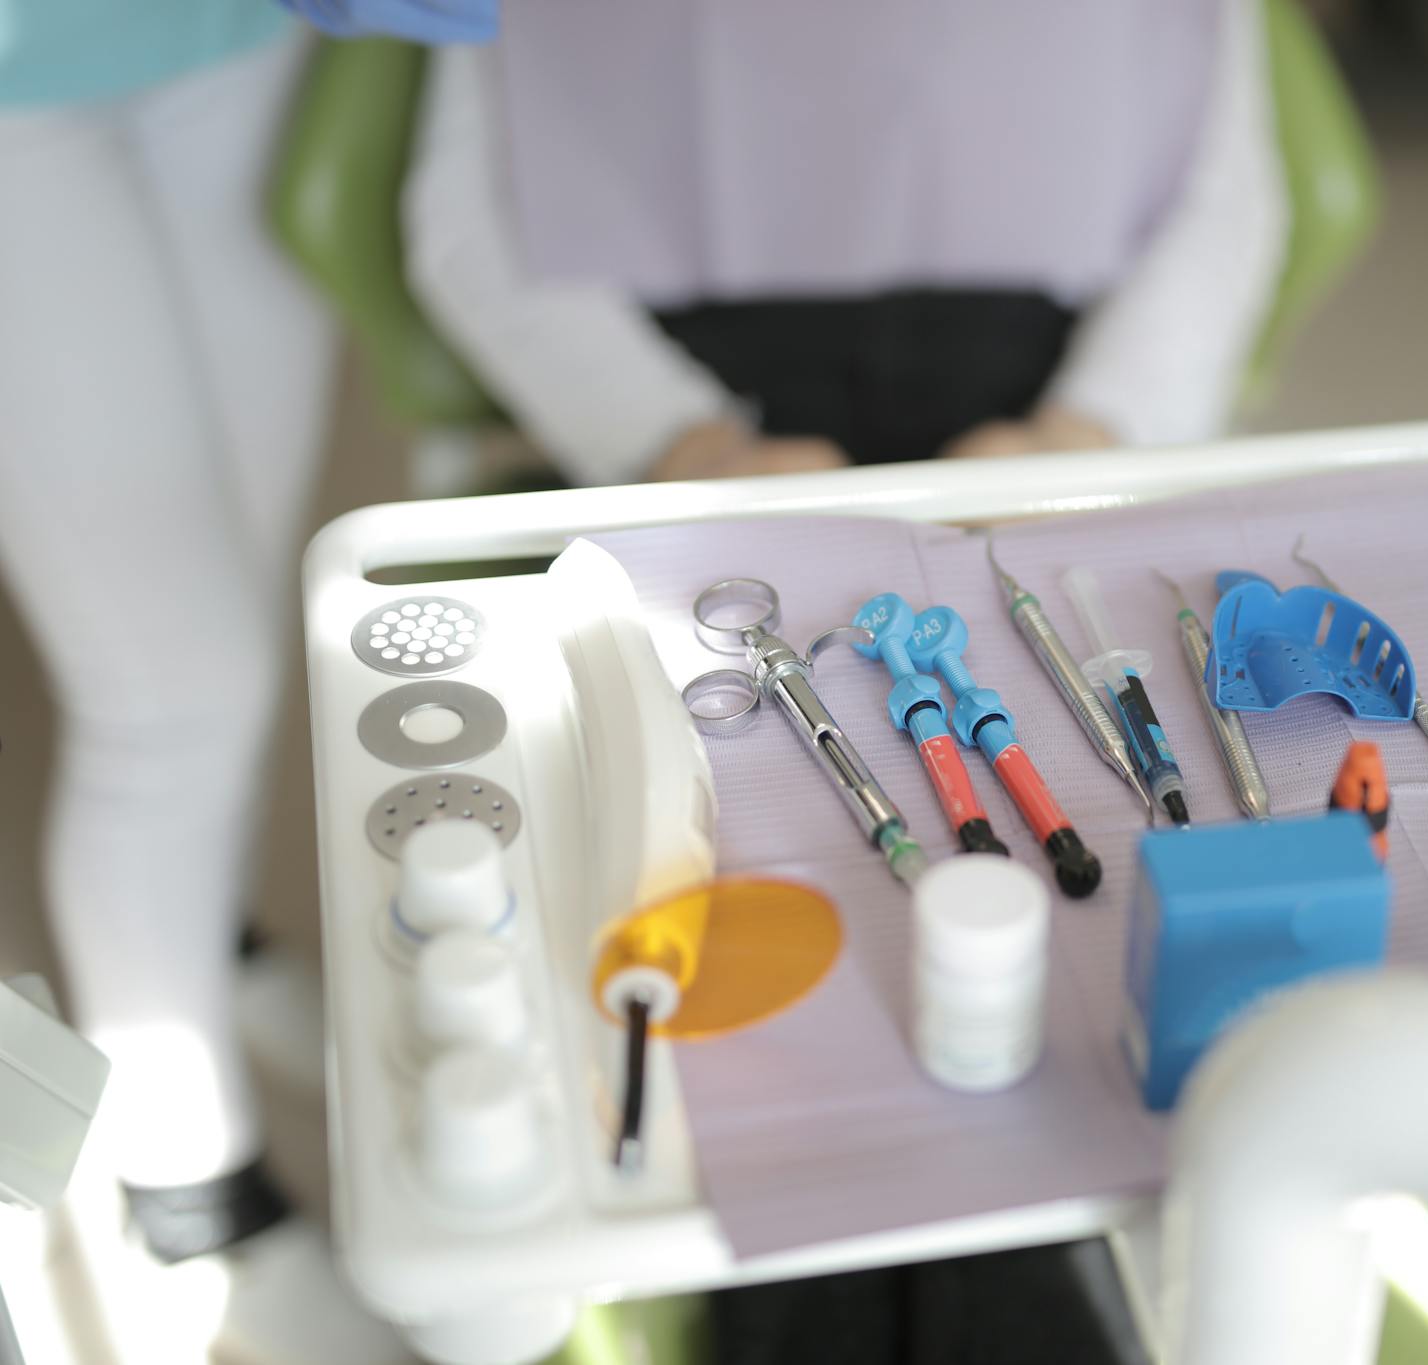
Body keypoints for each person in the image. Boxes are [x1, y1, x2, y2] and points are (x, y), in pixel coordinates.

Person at [0, 3, 404, 1358]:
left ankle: (202, 939)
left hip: (235, 34)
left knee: (240, 561)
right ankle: (192, 1199)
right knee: (171, 698)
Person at [392, 0, 1288, 485]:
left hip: (1040, 410)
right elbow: (477, 216)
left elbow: (1220, 198)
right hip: (691, 417)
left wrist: (1088, 433)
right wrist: (676, 443)